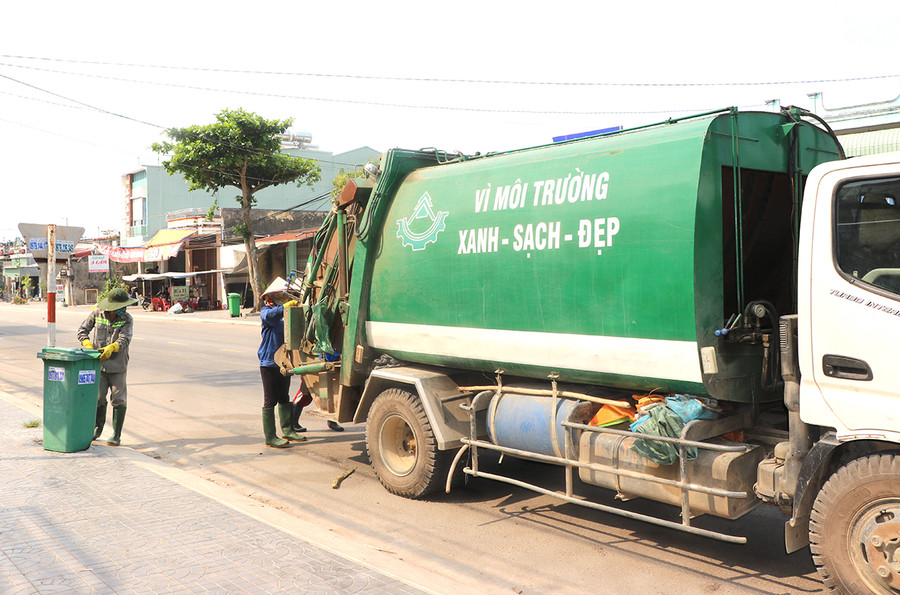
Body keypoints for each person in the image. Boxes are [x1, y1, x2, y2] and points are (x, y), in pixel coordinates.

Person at [77, 287, 137, 446]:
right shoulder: (96, 314)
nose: (118, 312)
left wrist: (112, 348)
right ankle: (97, 429)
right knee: (98, 398)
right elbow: (82, 330)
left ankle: (116, 435)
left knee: (119, 400)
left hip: (118, 366)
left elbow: (125, 339)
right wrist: (87, 343)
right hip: (98, 365)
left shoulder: (127, 319)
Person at [258, 278, 306, 448]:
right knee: (270, 400)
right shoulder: (267, 311)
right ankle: (270, 437)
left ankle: (287, 430)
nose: (283, 297)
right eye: (280, 294)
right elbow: (270, 316)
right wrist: (284, 307)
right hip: (269, 362)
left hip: (284, 362)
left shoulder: (286, 313)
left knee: (284, 397)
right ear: (271, 296)